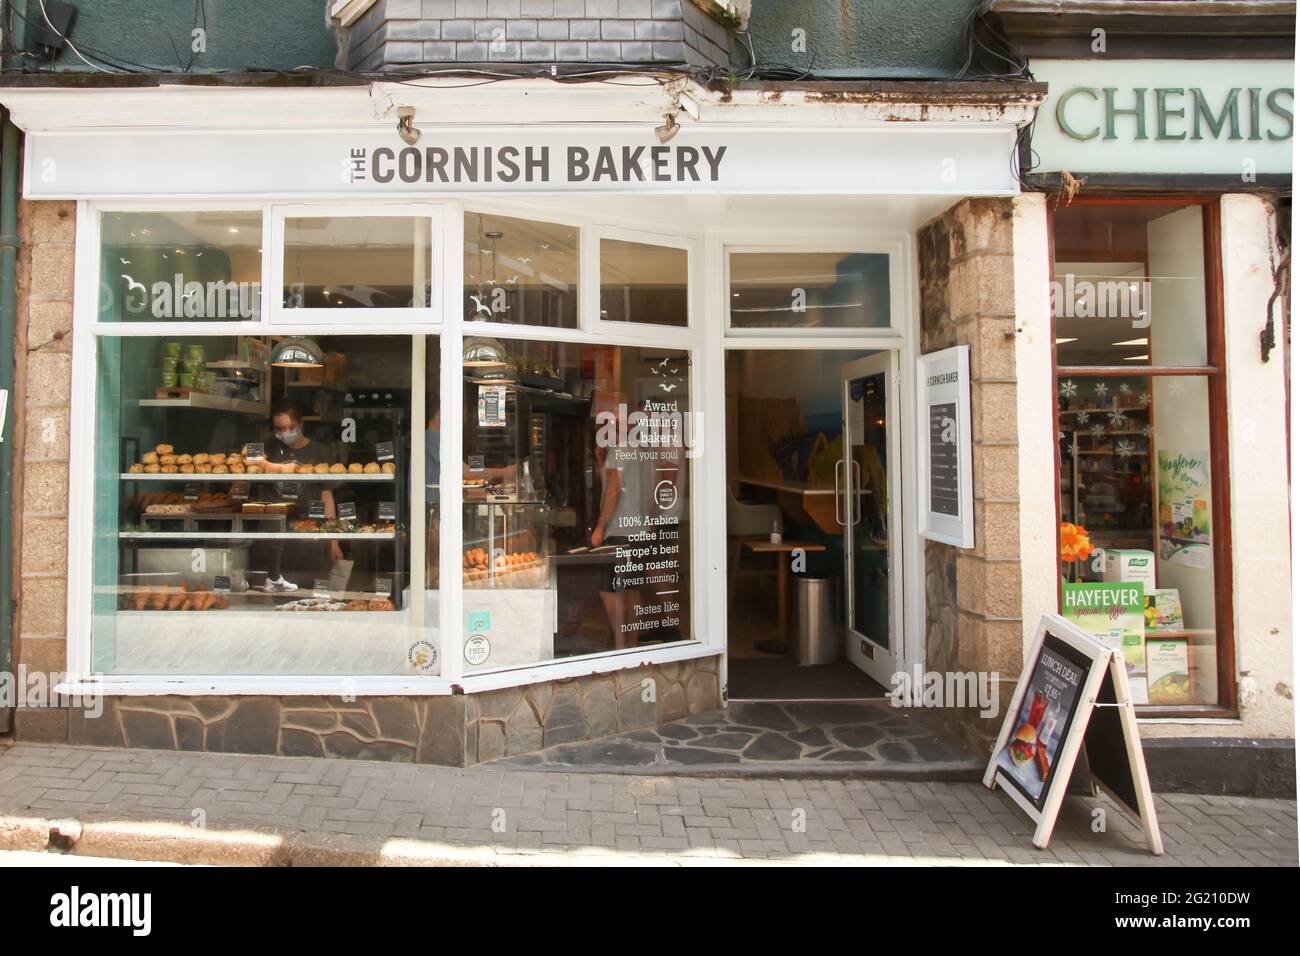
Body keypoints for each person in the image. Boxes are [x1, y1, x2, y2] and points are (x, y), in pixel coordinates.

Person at [256, 398, 342, 591]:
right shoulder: (267, 447)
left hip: (309, 537)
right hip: (273, 536)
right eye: (279, 428)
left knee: (310, 596)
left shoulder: (320, 451)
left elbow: (326, 498)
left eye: (290, 427)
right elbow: (247, 465)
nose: (285, 433)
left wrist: (333, 542)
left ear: (301, 424)